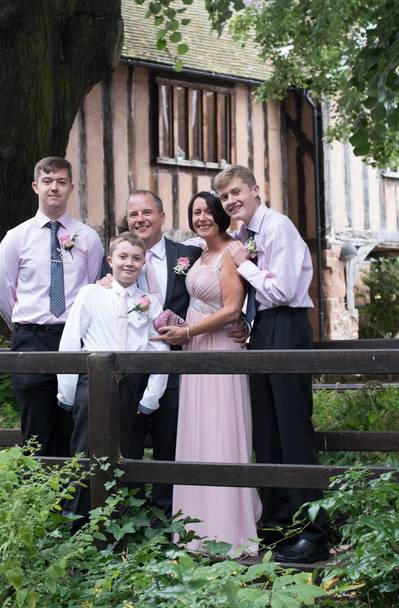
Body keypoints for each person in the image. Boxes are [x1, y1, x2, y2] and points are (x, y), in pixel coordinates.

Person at [216, 164, 329, 564]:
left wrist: (243, 262)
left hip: (288, 326)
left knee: (292, 428)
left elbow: (282, 290)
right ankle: (282, 526)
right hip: (263, 328)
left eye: (236, 192)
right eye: (226, 196)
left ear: (256, 190)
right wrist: (246, 322)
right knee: (267, 432)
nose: (231, 201)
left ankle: (315, 533)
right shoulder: (242, 236)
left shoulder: (277, 227)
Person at [155, 191, 261, 557]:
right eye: (195, 212)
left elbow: (233, 309)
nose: (201, 217)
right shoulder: (198, 254)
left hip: (217, 348)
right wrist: (180, 324)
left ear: (220, 214)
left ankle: (227, 527)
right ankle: (196, 528)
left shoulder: (232, 252)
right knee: (197, 430)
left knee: (220, 429)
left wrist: (188, 332)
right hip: (195, 344)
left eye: (207, 211)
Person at [0, 156, 104, 457]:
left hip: (75, 338)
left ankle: (76, 499)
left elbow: (93, 286)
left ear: (71, 187)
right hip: (31, 338)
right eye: (47, 181)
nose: (54, 187)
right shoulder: (15, 238)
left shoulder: (89, 239)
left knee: (75, 420)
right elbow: (4, 296)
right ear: (35, 186)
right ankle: (39, 498)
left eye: (60, 182)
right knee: (36, 423)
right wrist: (26, 328)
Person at [100, 190, 202, 515]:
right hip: (130, 370)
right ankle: (127, 515)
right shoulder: (120, 261)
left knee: (168, 442)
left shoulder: (189, 255)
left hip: (175, 364)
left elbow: (212, 292)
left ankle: (166, 515)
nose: (140, 219)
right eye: (133, 215)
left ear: (161, 217)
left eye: (146, 212)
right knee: (127, 444)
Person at [58, 232, 170, 518]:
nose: (129, 264)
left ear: (144, 263)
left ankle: (123, 519)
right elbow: (72, 340)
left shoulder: (150, 302)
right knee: (86, 448)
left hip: (132, 383)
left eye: (136, 258)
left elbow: (160, 350)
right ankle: (80, 521)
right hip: (92, 381)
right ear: (110, 260)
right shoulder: (92, 293)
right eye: (122, 257)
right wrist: (67, 391)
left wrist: (150, 398)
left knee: (127, 449)